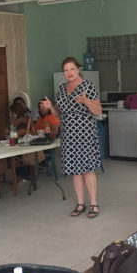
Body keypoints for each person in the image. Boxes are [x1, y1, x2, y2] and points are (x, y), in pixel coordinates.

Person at [40, 57, 102, 219]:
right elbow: (58, 113)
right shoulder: (61, 88)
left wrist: (86, 101)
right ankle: (81, 203)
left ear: (78, 69)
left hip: (85, 134)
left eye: (72, 69)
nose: (69, 73)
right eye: (66, 70)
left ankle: (94, 204)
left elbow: (98, 111)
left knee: (88, 169)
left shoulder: (88, 87)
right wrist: (50, 107)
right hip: (69, 135)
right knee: (75, 171)